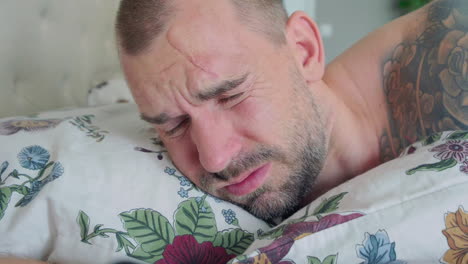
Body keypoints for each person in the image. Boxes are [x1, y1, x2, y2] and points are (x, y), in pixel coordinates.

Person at [115, 0, 468, 224]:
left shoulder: (451, 56)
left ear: (304, 51)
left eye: (229, 95)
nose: (215, 160)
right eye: (175, 125)